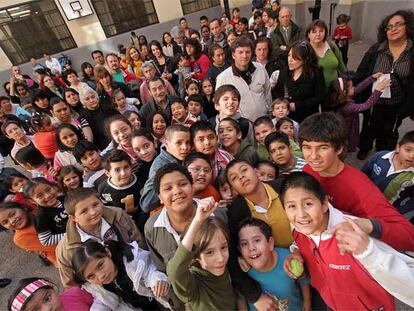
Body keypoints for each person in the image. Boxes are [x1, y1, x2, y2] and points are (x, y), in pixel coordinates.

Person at [279, 172, 407, 310]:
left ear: (324, 204)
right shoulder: (299, 228)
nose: (301, 214)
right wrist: (296, 251)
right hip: (333, 303)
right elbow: (300, 242)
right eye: (292, 206)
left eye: (308, 204)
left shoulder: (355, 235)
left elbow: (402, 272)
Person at [299, 112, 414, 251]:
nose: (313, 156)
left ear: (340, 148)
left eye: (323, 147)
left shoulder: (360, 188)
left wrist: (368, 225)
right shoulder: (307, 170)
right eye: (307, 147)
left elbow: (409, 236)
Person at [225, 159, 293, 308]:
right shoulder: (237, 212)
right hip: (272, 274)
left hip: (305, 256)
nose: (241, 177)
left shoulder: (283, 187)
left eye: (244, 170)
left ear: (256, 172)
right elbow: (231, 255)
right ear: (234, 189)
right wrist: (255, 297)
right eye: (234, 178)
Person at [56, 188, 146, 288]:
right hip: (103, 289)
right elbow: (70, 282)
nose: (93, 212)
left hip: (135, 270)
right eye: (84, 211)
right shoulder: (65, 248)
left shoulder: (118, 215)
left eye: (95, 205)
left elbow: (138, 241)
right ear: (73, 218)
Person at [356, 10, 414, 160]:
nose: (393, 29)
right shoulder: (377, 49)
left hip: (397, 102)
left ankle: (383, 153)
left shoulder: (411, 52)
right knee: (369, 125)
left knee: (390, 129)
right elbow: (361, 73)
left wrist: (407, 106)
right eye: (389, 27)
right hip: (375, 100)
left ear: (407, 27)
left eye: (398, 25)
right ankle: (365, 147)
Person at [167, 197, 238, 310]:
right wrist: (197, 222)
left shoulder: (228, 268)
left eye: (223, 247)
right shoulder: (193, 284)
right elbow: (174, 273)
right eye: (209, 252)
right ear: (196, 257)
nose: (220, 258)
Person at [238, 217, 311, 311]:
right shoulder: (242, 270)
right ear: (240, 250)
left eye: (257, 240)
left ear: (270, 243)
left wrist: (307, 301)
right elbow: (241, 298)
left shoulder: (288, 259)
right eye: (244, 244)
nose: (251, 248)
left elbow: (303, 278)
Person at [72, 239, 169, 310]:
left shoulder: (133, 260)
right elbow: (104, 300)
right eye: (91, 276)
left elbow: (149, 270)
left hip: (161, 303)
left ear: (108, 252)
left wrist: (158, 280)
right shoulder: (96, 286)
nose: (101, 276)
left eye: (100, 265)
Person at [325, 73, 391, 152]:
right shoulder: (347, 107)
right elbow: (367, 105)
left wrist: (372, 78)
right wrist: (378, 90)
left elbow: (358, 88)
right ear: (345, 92)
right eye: (352, 87)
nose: (354, 88)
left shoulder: (341, 98)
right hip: (347, 129)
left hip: (344, 127)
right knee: (346, 142)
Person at [216, 36, 271, 122]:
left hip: (263, 122)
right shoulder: (223, 78)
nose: (244, 56)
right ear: (233, 55)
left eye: (247, 52)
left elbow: (267, 94)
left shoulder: (261, 69)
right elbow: (221, 107)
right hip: (240, 125)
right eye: (240, 52)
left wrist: (270, 113)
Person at [362, 130, 414, 219]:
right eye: (408, 150)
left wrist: (398, 211)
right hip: (363, 198)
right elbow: (362, 174)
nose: (412, 156)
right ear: (398, 147)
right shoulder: (380, 157)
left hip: (384, 211)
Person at [140, 125, 191, 213]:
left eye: (188, 142)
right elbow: (146, 204)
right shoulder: (160, 166)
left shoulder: (183, 158)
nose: (185, 147)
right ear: (167, 144)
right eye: (179, 143)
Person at [274, 41, 326, 123]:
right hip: (287, 119)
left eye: (294, 57)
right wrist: (283, 104)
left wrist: (298, 106)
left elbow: (320, 97)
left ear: (305, 59)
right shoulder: (284, 72)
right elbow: (277, 91)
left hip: (308, 118)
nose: (290, 60)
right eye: (289, 56)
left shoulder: (315, 73)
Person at [98, 149, 147, 232]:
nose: (123, 173)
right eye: (117, 170)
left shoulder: (141, 183)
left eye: (126, 167)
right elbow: (108, 211)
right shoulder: (103, 189)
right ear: (108, 173)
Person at [0, 201, 58, 266]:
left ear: (24, 208)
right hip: (66, 257)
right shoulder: (21, 238)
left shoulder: (38, 212)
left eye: (13, 214)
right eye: (5, 222)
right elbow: (55, 246)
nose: (12, 221)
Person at [23, 177, 68, 247]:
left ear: (53, 187)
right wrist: (72, 234)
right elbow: (46, 241)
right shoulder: (41, 217)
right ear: (32, 201)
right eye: (39, 196)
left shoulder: (65, 198)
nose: (47, 196)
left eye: (48, 190)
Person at [306, 19, 347, 89]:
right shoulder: (305, 50)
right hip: (313, 92)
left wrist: (347, 81)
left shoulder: (332, 46)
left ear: (325, 33)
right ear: (308, 34)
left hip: (334, 91)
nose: (318, 34)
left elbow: (341, 66)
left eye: (321, 31)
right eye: (314, 32)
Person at [8, 277, 93, 311]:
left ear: (53, 289)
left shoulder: (75, 294)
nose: (47, 308)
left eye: (47, 298)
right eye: (36, 310)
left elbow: (99, 301)